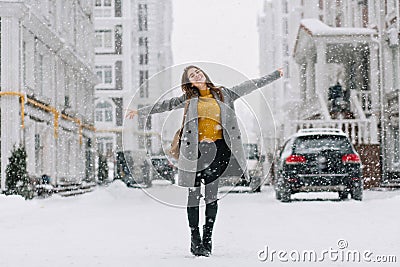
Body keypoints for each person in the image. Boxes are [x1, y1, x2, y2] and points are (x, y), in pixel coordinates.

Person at [126, 65, 283, 257]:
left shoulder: (224, 94)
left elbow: (251, 85)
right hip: (194, 152)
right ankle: (195, 237)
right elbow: (164, 105)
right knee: (193, 196)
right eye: (192, 75)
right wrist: (139, 112)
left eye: (198, 72)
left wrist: (275, 74)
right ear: (189, 82)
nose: (196, 76)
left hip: (217, 151)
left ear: (204, 75)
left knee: (211, 196)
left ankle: (208, 238)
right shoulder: (188, 99)